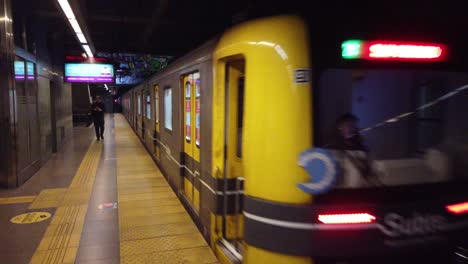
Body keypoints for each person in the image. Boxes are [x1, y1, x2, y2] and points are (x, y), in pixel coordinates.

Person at [326, 113, 381, 187]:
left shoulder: (364, 150)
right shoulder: (330, 150)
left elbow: (372, 173)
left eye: (353, 126)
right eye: (348, 125)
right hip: (339, 195)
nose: (352, 129)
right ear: (339, 128)